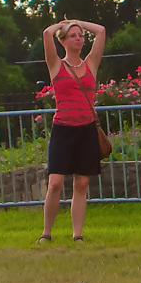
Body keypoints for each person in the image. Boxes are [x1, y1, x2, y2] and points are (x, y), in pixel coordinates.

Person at [38, 19, 107, 244]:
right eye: (73, 35)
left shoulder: (90, 64)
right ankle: (46, 233)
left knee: (82, 183)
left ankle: (77, 234)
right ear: (63, 40)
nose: (79, 38)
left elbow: (101, 31)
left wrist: (79, 23)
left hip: (86, 128)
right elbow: (46, 33)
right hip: (63, 129)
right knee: (56, 182)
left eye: (80, 35)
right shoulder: (57, 65)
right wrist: (61, 24)